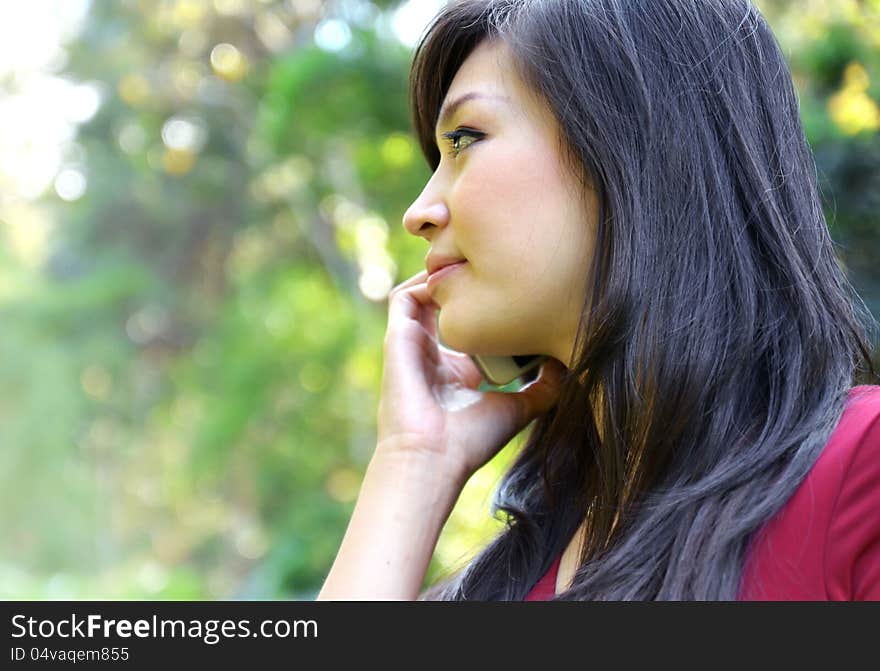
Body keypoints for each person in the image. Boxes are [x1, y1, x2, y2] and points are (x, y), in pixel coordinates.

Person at [317, 0, 880, 601]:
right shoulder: (508, 579)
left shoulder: (860, 471)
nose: (418, 213)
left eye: (464, 139)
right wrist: (413, 459)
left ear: (635, 149)